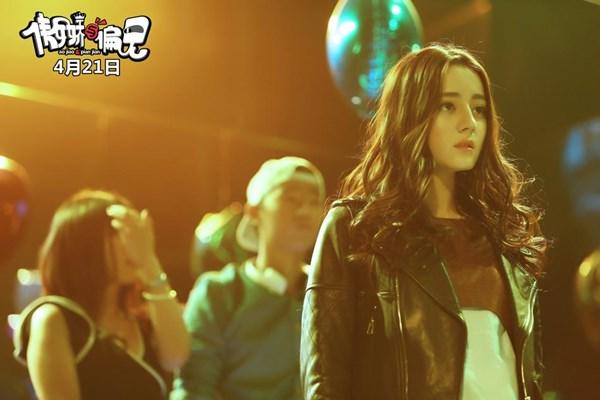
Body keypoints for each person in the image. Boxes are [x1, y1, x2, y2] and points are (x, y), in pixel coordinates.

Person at [300, 44, 548, 400]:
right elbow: (326, 381)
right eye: (448, 106)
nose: (469, 122)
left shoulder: (507, 239)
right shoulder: (356, 229)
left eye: (479, 108)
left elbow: (527, 375)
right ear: (410, 113)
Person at [171, 156, 325, 400]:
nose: (304, 210)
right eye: (291, 199)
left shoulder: (327, 294)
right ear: (254, 211)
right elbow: (194, 388)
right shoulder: (219, 292)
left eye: (314, 202)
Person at [13, 189, 190, 400]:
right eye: (121, 234)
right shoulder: (55, 320)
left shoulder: (142, 319)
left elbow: (176, 356)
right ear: (86, 245)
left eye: (135, 235)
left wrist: (149, 262)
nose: (133, 246)